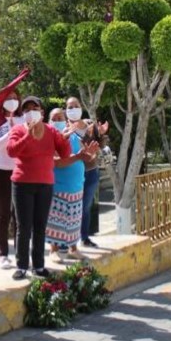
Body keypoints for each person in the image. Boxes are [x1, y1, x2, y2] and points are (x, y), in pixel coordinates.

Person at [7, 96, 72, 280]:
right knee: (24, 227)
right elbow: (12, 151)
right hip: (22, 184)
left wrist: (64, 138)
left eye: (34, 108)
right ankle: (21, 266)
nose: (31, 112)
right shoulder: (18, 130)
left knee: (40, 227)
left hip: (45, 184)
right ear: (23, 114)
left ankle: (39, 266)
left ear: (42, 112)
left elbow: (65, 154)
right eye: (26, 109)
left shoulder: (51, 131)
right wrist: (28, 135)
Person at [46, 108, 96, 263]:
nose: (57, 121)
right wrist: (79, 157)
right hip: (58, 187)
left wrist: (92, 153)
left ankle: (73, 249)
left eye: (60, 117)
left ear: (66, 120)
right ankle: (53, 250)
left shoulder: (75, 137)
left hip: (76, 186)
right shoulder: (50, 139)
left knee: (74, 220)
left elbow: (87, 157)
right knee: (56, 221)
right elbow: (57, 162)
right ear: (49, 122)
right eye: (54, 118)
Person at [65, 96, 109, 248]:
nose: (73, 109)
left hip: (90, 172)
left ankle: (84, 238)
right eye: (69, 107)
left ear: (81, 107)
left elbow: (101, 145)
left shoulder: (90, 124)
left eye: (75, 105)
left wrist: (101, 133)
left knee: (85, 206)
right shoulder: (63, 127)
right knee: (69, 206)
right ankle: (67, 240)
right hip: (70, 173)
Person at [0, 89, 22, 268]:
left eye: (15, 98)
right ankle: (3, 254)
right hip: (1, 170)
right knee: (3, 214)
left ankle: (20, 252)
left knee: (19, 215)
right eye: (8, 98)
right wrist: (11, 134)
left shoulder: (23, 120)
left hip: (21, 171)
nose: (12, 101)